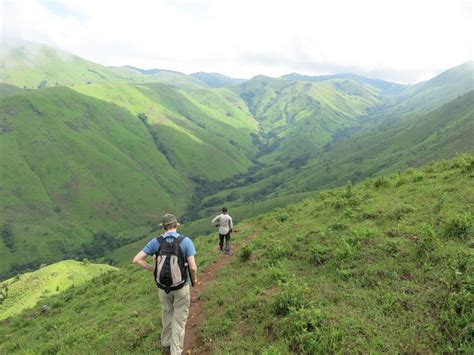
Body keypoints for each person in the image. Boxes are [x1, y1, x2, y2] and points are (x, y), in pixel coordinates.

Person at [133, 214, 197, 355]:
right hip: (181, 286)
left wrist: (153, 269)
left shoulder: (156, 242)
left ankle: (166, 344)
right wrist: (194, 280)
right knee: (179, 319)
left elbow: (136, 259)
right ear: (176, 225)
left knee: (167, 312)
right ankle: (176, 351)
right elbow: (192, 267)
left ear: (163, 227)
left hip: (163, 288)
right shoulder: (186, 242)